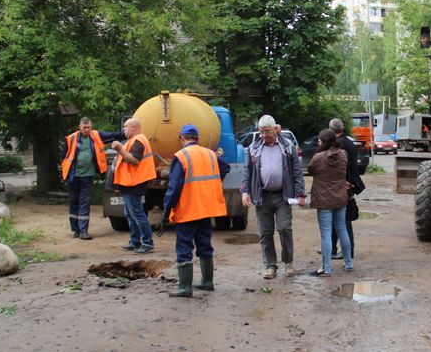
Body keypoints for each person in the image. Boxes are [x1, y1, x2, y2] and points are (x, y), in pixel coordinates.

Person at [162, 124, 230, 297]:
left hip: (188, 208)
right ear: (198, 138)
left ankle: (185, 287)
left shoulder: (181, 156)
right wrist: (211, 185)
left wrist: (166, 209)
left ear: (182, 138)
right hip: (206, 207)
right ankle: (207, 282)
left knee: (184, 245)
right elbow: (225, 168)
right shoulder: (210, 154)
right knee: (204, 244)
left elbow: (174, 186)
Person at [241, 114, 305, 279]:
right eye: (261, 132)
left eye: (267, 131)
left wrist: (301, 193)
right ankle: (270, 266)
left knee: (284, 228)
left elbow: (297, 171)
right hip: (262, 197)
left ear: (275, 130)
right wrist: (245, 192)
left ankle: (288, 262)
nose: (263, 135)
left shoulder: (287, 145)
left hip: (283, 196)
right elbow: (247, 172)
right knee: (265, 232)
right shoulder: (254, 148)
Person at [60, 117, 125, 240]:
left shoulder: (96, 136)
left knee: (84, 202)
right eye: (84, 128)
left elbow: (114, 135)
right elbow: (63, 157)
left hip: (87, 176)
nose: (87, 130)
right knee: (74, 202)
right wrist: (66, 174)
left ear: (91, 126)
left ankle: (84, 231)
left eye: (88, 127)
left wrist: (126, 133)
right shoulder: (71, 138)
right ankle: (76, 230)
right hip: (73, 176)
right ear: (79, 127)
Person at [308, 129, 353, 276]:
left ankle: (326, 268)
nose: (318, 142)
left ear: (323, 141)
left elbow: (310, 170)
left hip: (323, 199)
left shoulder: (317, 157)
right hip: (340, 197)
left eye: (319, 140)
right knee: (342, 230)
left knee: (326, 233)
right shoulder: (343, 154)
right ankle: (348, 263)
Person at [111, 118, 156, 254]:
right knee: (130, 214)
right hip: (128, 183)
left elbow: (134, 161)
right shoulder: (132, 141)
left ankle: (147, 243)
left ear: (135, 127)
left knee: (137, 214)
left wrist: (119, 149)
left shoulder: (138, 141)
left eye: (126, 127)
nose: (124, 129)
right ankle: (135, 241)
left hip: (134, 184)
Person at [328, 118, 362, 259]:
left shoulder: (339, 144)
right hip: (348, 183)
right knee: (336, 219)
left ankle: (349, 251)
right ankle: (331, 248)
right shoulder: (348, 141)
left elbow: (340, 166)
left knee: (343, 220)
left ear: (331, 130)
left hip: (343, 185)